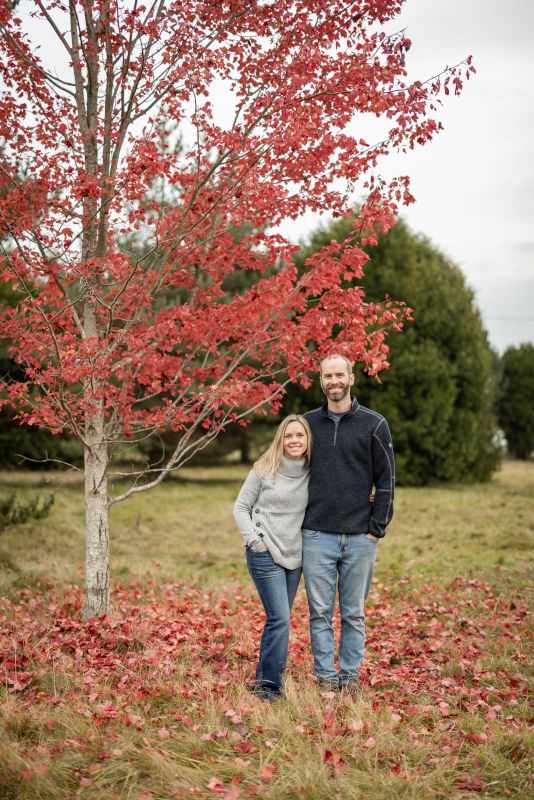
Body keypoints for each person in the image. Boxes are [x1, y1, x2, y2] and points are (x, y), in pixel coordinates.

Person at [302, 354, 395, 692]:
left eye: (339, 375)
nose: (334, 381)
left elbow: (386, 480)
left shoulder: (374, 424)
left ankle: (350, 676)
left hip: (360, 537)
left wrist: (376, 528)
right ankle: (326, 677)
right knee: (319, 613)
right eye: (328, 376)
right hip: (316, 534)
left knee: (353, 613)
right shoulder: (307, 424)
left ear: (352, 378)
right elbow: (289, 469)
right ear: (321, 379)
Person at [233, 414, 312, 701]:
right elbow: (240, 507)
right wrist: (255, 541)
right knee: (280, 618)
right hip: (265, 552)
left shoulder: (313, 471)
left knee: (279, 619)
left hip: (295, 556)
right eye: (289, 436)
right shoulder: (264, 469)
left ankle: (266, 676)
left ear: (307, 440)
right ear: (281, 439)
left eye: (299, 436)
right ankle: (268, 686)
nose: (294, 440)